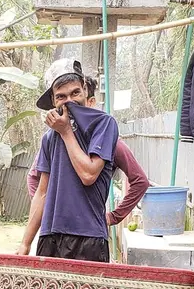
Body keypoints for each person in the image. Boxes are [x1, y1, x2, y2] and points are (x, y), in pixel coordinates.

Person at [17, 59, 120, 263]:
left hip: (88, 236)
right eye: (61, 97)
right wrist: (25, 243)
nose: (69, 101)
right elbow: (42, 192)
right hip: (51, 236)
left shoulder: (104, 124)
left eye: (75, 93)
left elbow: (88, 174)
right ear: (53, 101)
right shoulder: (49, 138)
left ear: (85, 90)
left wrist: (65, 132)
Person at [27, 77, 151, 228]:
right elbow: (34, 178)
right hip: (56, 231)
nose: (70, 104)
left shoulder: (109, 141)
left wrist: (113, 217)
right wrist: (46, 214)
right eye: (62, 97)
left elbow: (140, 181)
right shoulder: (53, 139)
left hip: (89, 231)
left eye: (76, 94)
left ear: (89, 101)